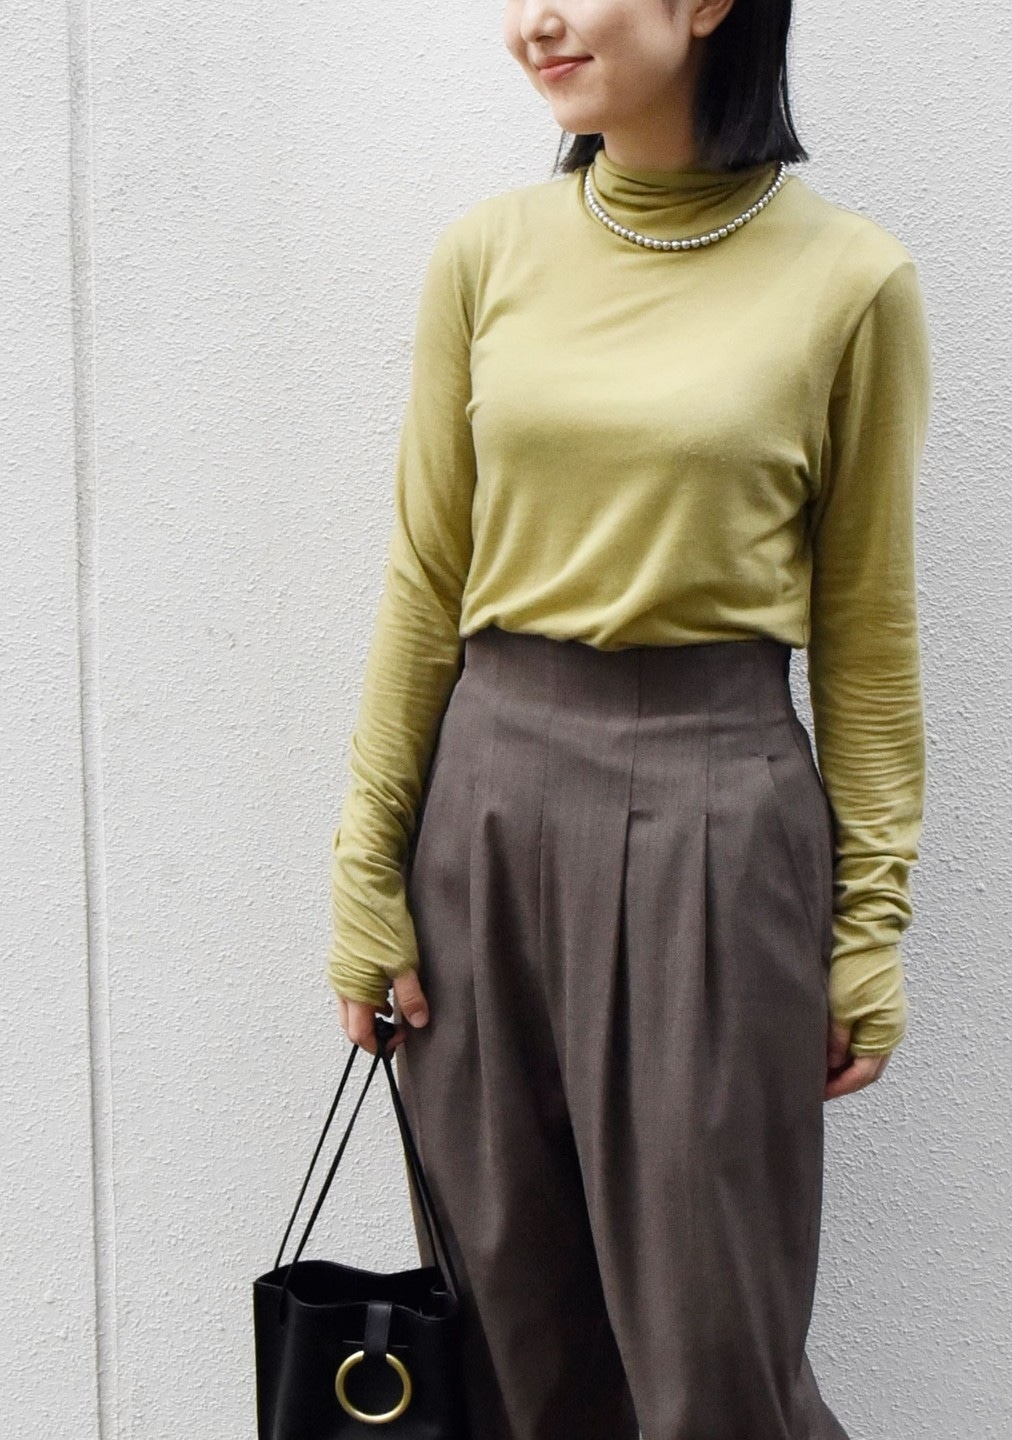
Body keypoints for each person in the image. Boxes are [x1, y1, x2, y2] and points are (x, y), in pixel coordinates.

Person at [325, 1, 932, 1435]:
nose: (534, 22)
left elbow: (867, 631)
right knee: (511, 1343)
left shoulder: (851, 281)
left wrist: (872, 922)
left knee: (714, 1355)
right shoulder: (487, 255)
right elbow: (424, 581)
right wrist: (366, 867)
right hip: (482, 819)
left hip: (714, 819)